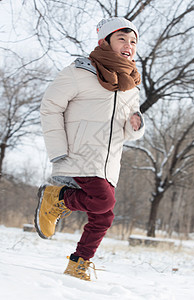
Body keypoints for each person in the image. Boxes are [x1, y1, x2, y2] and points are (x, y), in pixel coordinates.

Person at [34, 17, 145, 281]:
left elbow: (128, 132)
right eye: (122, 38)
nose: (129, 45)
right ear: (103, 42)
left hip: (107, 162)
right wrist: (57, 149)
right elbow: (50, 107)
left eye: (133, 41)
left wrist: (136, 125)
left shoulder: (130, 85)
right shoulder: (79, 72)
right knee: (104, 201)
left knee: (104, 216)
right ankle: (57, 197)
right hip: (78, 154)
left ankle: (78, 263)